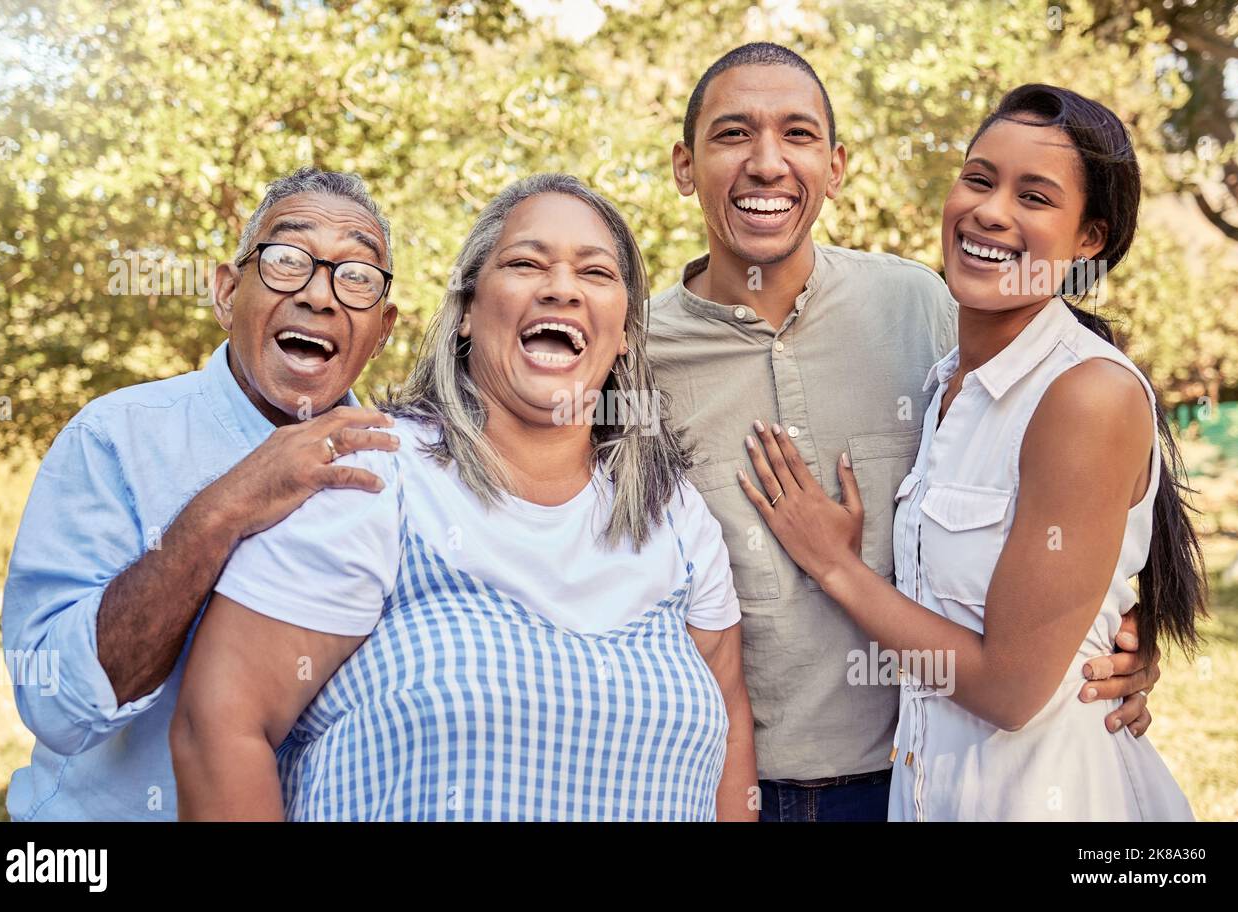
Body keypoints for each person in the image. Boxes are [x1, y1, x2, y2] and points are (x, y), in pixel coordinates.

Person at [646, 42, 1163, 821]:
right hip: (715, 782)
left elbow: (1102, 511)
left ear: (837, 165)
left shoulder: (922, 310)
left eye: (798, 134)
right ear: (686, 166)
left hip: (904, 782)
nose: (766, 163)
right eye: (731, 135)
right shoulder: (631, 356)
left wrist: (1122, 636)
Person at [170, 173, 758, 821]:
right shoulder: (374, 480)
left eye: (594, 273)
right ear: (468, 313)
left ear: (624, 332)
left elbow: (730, 725)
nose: (560, 287)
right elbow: (219, 727)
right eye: (526, 263)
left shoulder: (675, 515)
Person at [0, 168, 401, 820]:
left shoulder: (404, 471)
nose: (320, 296)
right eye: (286, 259)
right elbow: (56, 707)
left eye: (355, 276)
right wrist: (227, 506)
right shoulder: (115, 437)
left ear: (382, 330)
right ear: (226, 292)